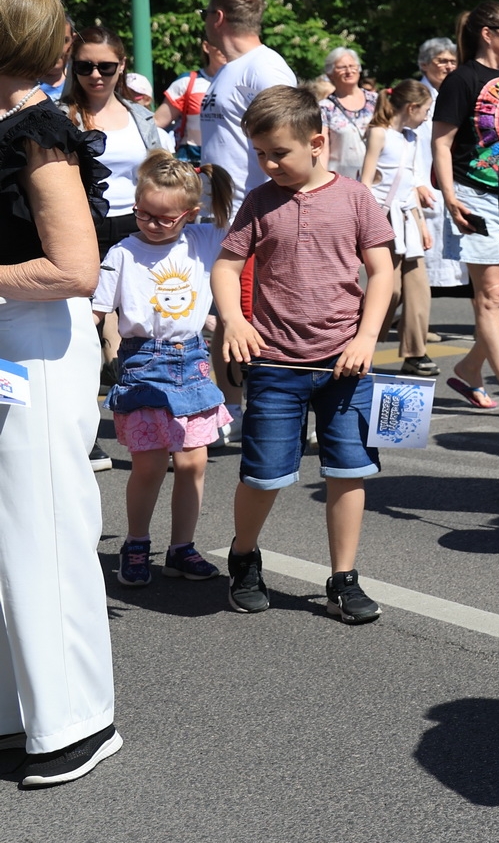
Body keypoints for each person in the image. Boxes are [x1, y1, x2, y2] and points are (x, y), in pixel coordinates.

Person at [0, 0, 121, 787]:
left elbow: (75, 267)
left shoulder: (37, 130)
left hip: (37, 340)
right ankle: (23, 711)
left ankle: (80, 721)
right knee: (11, 536)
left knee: (42, 527)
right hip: (15, 333)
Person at [213, 86, 397, 622]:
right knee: (263, 475)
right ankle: (244, 555)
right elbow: (225, 267)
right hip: (275, 364)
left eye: (279, 153)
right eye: (260, 154)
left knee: (348, 471)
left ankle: (344, 579)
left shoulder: (356, 198)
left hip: (345, 363)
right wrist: (234, 320)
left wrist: (366, 338)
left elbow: (382, 271)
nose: (269, 164)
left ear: (316, 143)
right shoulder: (259, 201)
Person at [98, 151, 235, 587]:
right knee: (150, 465)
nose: (152, 224)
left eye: (165, 218)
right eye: (144, 213)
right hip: (143, 363)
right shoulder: (122, 252)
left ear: (190, 214)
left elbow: (249, 222)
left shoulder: (204, 239)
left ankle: (182, 548)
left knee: (193, 463)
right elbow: (97, 310)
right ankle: (136, 543)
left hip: (192, 362)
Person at [432, 0, 499, 422]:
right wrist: (449, 196)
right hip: (472, 193)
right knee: (489, 295)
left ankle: (470, 366)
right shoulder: (462, 79)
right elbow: (441, 142)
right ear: (487, 34)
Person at [63, 25, 170, 254]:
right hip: (81, 227)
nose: (95, 75)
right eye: (85, 67)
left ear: (121, 65)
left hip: (140, 224)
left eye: (105, 67)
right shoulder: (60, 117)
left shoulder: (141, 117)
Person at [363, 80, 438, 378]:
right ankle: (362, 344)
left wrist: (422, 225)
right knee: (389, 289)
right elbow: (365, 182)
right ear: (412, 107)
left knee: (419, 289)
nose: (427, 117)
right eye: (426, 111)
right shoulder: (378, 133)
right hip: (382, 218)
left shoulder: (411, 138)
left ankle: (415, 353)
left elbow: (410, 185)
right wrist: (367, 223)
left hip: (408, 220)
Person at [198, 0, 298, 199]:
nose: (204, 22)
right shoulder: (228, 68)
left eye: (205, 14)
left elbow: (292, 138)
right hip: (219, 208)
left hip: (251, 209)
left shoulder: (265, 68)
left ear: (218, 17)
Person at [416, 37, 464, 290]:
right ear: (424, 65)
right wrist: (416, 183)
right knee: (419, 273)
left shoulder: (459, 93)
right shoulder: (413, 96)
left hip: (455, 186)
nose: (448, 66)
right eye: (441, 61)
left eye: (452, 61)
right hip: (424, 185)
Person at [156, 40, 225, 165]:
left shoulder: (244, 79)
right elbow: (157, 122)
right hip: (192, 160)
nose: (226, 47)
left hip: (231, 160)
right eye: (220, 42)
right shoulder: (186, 81)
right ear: (206, 46)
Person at [320, 47, 377, 181]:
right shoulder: (324, 107)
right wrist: (321, 182)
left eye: (352, 66)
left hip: (377, 181)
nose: (349, 71)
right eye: (342, 67)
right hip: (342, 180)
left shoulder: (376, 100)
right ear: (330, 74)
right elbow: (322, 148)